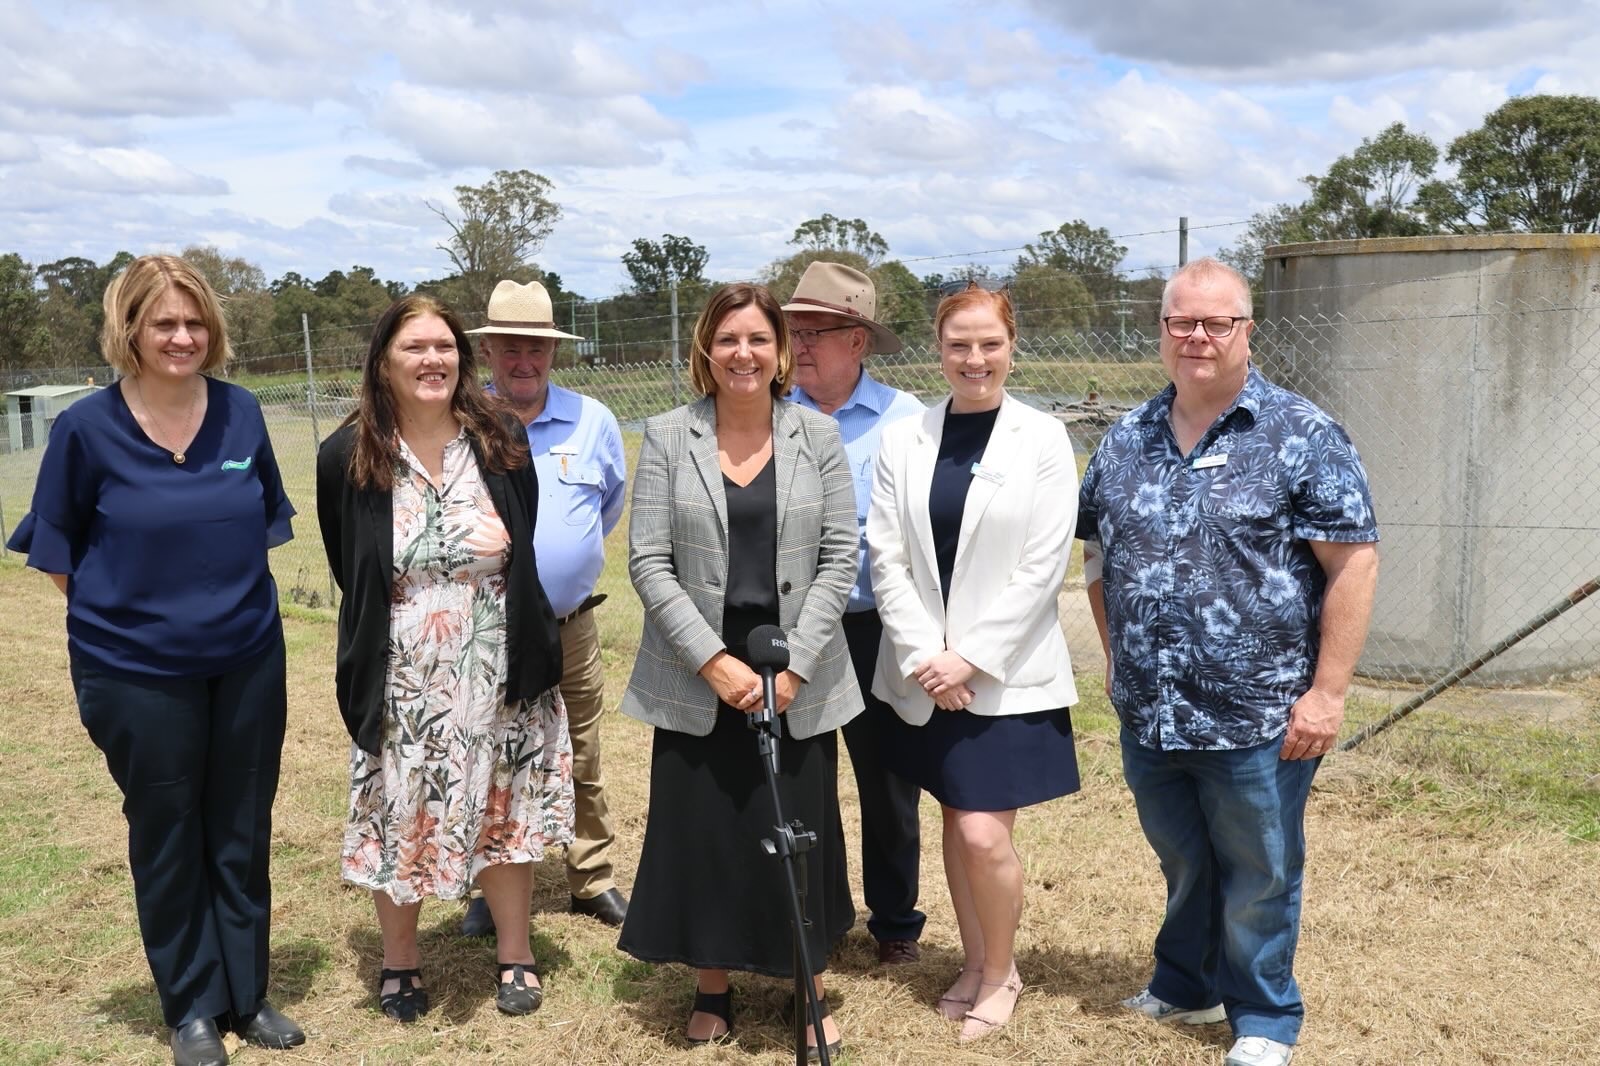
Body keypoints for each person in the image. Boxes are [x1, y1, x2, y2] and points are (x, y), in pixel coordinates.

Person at [1078, 258, 1380, 1066]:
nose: (1198, 337)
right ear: (1162, 331)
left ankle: (1265, 1017)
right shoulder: (1127, 437)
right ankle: (1185, 985)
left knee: (1260, 870)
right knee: (1182, 856)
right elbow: (1100, 555)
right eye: (1182, 322)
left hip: (1260, 711)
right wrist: (1115, 657)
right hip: (1153, 707)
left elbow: (1352, 563)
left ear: (1248, 330)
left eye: (1217, 323)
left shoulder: (1301, 434)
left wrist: (1328, 691)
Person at [6, 254, 303, 1066]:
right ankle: (193, 1007)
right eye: (164, 322)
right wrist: (135, 627)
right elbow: (58, 552)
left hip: (246, 659)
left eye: (195, 322)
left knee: (240, 827)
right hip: (136, 674)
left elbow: (263, 522)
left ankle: (248, 994)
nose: (182, 337)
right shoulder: (85, 430)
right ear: (128, 329)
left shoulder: (242, 415)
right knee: (169, 832)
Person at [616, 283, 859, 1057]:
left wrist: (795, 666)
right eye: (728, 340)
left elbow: (839, 557)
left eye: (758, 339)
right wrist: (713, 662)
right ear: (705, 351)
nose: (743, 354)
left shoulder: (818, 437)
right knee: (709, 832)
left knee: (799, 829)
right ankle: (712, 986)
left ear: (781, 351)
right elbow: (649, 561)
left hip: (795, 672)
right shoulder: (665, 436)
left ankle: (808, 985)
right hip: (700, 673)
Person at [315, 295, 574, 1023]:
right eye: (414, 348)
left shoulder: (501, 439)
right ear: (383, 364)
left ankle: (515, 954)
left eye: (445, 346)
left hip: (500, 665)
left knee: (505, 806)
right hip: (402, 676)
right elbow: (352, 567)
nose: (433, 360)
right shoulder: (348, 455)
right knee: (400, 808)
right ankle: (400, 962)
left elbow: (520, 539)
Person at [866, 281, 1081, 1045]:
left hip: (1006, 678)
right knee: (957, 823)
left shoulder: (1044, 439)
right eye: (960, 344)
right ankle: (973, 960)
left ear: (1012, 346)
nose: (975, 358)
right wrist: (929, 656)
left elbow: (1044, 566)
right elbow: (886, 556)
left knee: (986, 833)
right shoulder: (906, 439)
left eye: (989, 343)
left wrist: (972, 659)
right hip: (927, 676)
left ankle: (1002, 972)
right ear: (939, 348)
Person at [457, 279, 629, 936]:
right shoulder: (463, 423)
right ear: (490, 351)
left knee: (581, 749)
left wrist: (565, 562)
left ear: (552, 352)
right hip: (485, 626)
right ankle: (489, 886)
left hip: (568, 625)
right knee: (488, 754)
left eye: (536, 347)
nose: (523, 360)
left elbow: (606, 509)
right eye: (510, 347)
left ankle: (591, 876)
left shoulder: (594, 422)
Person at [782, 261, 928, 966]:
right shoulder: (768, 415)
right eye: (793, 331)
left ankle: (895, 920)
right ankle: (815, 914)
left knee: (887, 781)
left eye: (819, 332)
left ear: (860, 342)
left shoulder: (908, 422)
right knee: (801, 777)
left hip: (875, 629)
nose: (800, 344)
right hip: (793, 630)